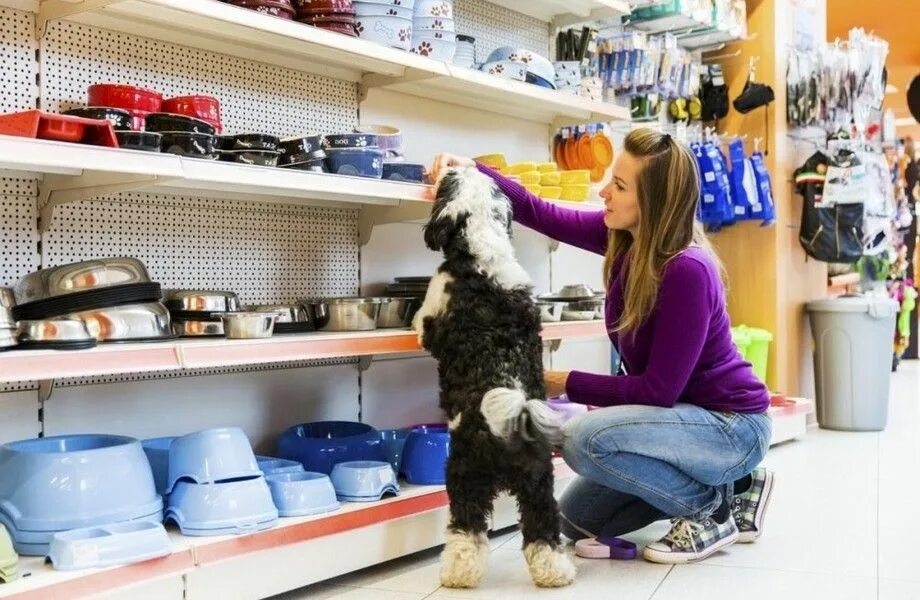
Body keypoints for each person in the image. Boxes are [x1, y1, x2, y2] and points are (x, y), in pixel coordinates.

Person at [428, 128, 774, 564]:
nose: (604, 192)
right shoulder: (625, 238)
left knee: (579, 439)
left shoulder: (688, 269)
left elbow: (657, 392)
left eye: (621, 186)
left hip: (731, 426)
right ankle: (736, 485)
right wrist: (475, 171)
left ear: (654, 203)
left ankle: (711, 510)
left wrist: (560, 382)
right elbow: (542, 212)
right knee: (574, 519)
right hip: (681, 424)